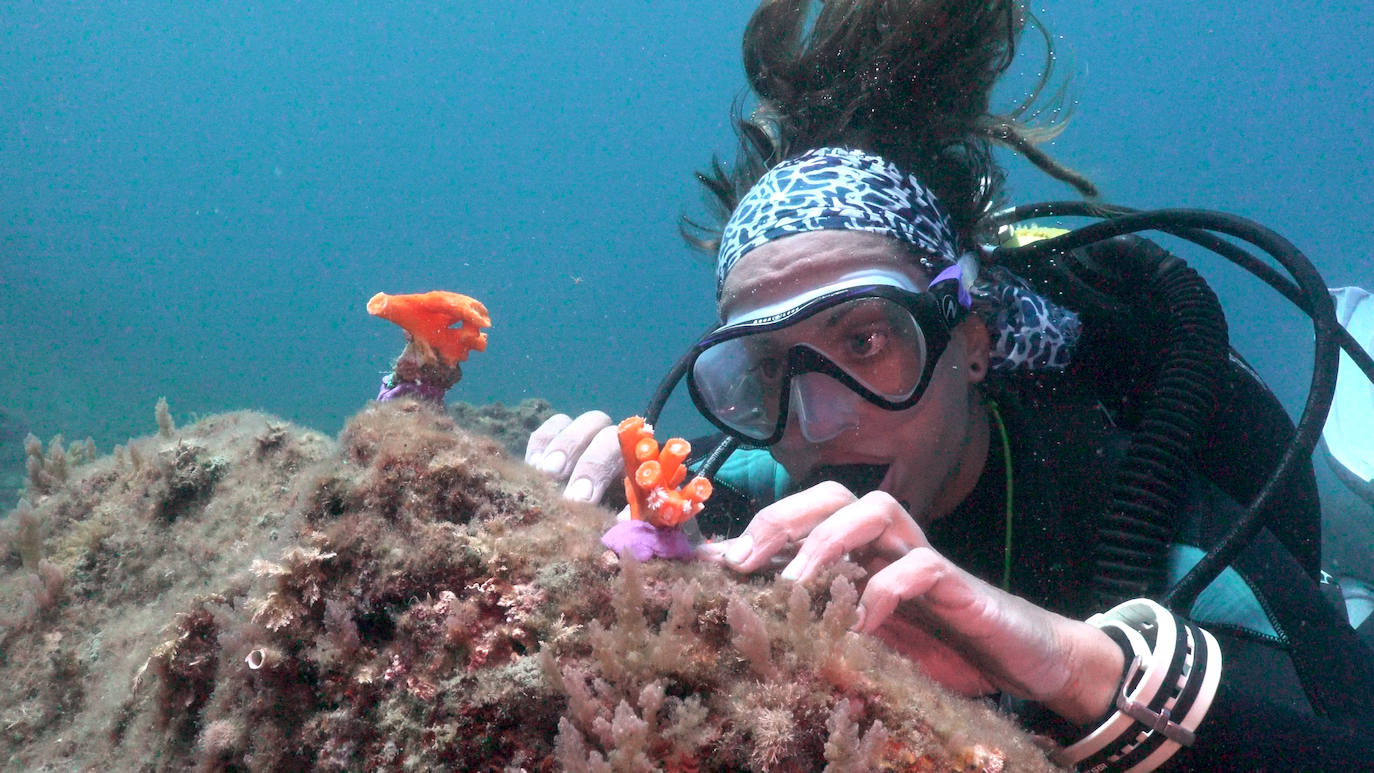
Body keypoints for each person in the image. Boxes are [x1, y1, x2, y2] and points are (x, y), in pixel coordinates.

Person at [525, 1, 1374, 768]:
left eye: (863, 340)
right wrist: (558, 513)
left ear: (969, 342)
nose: (816, 424)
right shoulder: (729, 492)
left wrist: (1076, 668)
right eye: (768, 367)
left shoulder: (1148, 517)